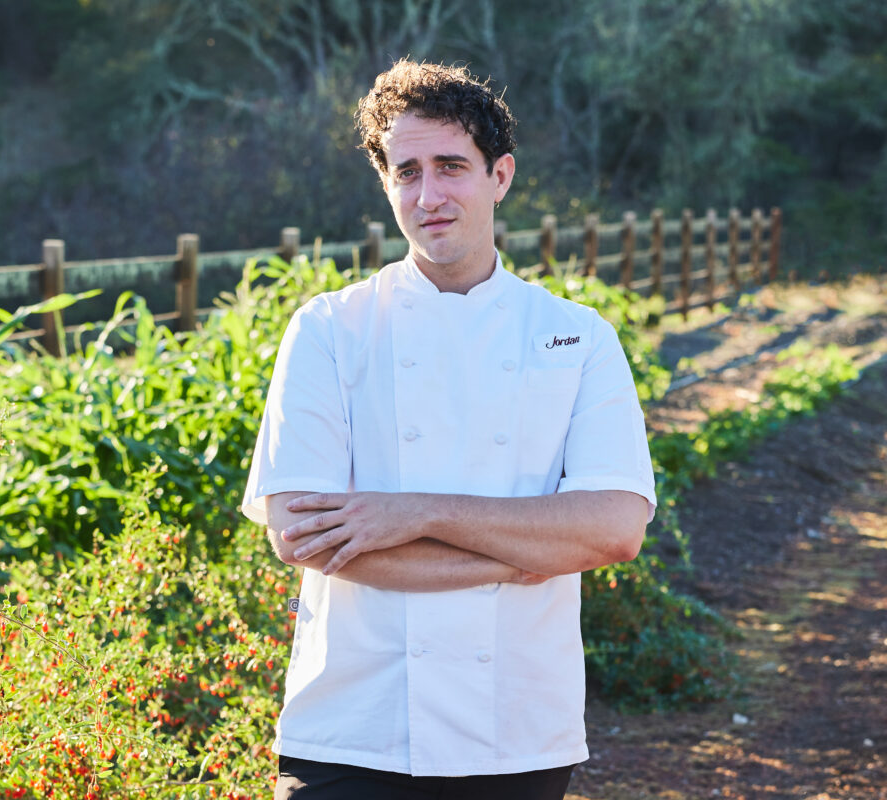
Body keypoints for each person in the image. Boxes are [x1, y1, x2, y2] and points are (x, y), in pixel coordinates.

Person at [241, 59, 657, 800]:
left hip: (518, 728)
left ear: (500, 176)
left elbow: (614, 529)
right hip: (352, 726)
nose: (428, 196)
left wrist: (414, 513)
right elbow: (302, 536)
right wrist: (524, 555)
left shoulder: (576, 337)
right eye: (406, 172)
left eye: (450, 167)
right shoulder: (331, 330)